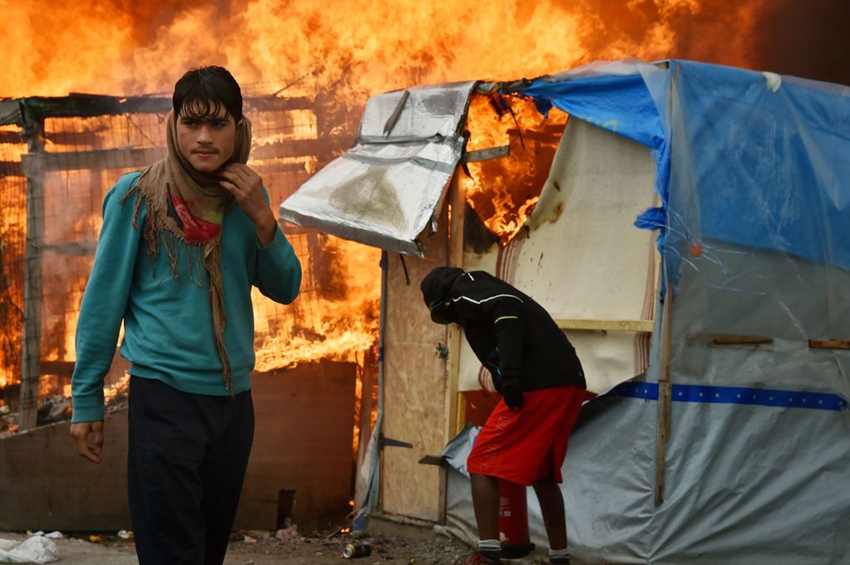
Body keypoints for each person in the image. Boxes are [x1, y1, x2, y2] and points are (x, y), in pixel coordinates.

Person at [69, 66, 302, 565]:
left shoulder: (245, 201)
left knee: (209, 548)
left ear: (239, 131)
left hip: (234, 405)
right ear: (172, 126)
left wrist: (264, 218)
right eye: (191, 122)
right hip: (165, 400)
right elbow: (102, 302)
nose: (203, 137)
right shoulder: (139, 196)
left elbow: (286, 288)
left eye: (218, 125)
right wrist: (86, 399)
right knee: (174, 552)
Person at [421, 267, 586, 565]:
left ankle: (487, 555)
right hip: (568, 382)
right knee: (542, 474)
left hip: (539, 385)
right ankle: (560, 557)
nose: (454, 321)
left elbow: (507, 305)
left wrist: (510, 377)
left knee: (481, 462)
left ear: (442, 300)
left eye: (447, 315)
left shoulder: (464, 287)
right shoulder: (478, 287)